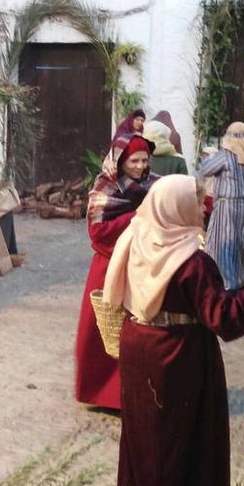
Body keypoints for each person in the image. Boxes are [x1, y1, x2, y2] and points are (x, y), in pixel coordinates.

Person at [102, 174, 244, 486]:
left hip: (138, 343)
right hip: (176, 353)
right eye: (197, 199)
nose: (204, 206)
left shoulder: (138, 236)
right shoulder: (192, 262)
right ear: (175, 207)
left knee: (144, 430)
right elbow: (226, 318)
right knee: (177, 435)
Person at [74, 133, 158, 410]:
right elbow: (97, 233)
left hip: (140, 265)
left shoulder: (153, 185)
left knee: (134, 333)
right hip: (108, 267)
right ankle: (100, 393)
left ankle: (130, 394)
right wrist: (137, 217)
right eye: (134, 160)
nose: (140, 166)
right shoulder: (105, 188)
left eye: (145, 160)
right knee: (102, 330)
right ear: (120, 161)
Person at [195, 122, 244, 289]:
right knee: (241, 242)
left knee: (225, 241)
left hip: (228, 204)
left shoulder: (226, 155)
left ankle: (227, 282)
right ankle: (239, 279)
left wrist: (208, 157)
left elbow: (205, 169)